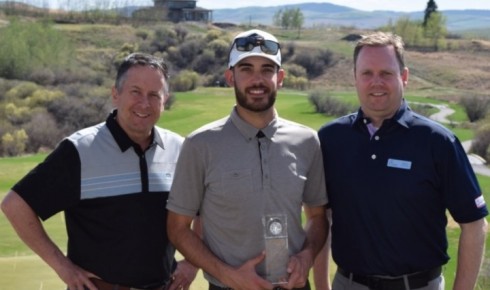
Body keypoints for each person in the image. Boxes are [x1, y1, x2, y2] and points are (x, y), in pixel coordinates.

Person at [1, 53, 198, 290]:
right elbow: (15, 205)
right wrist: (64, 268)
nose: (144, 103)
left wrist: (192, 263)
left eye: (154, 95)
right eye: (135, 92)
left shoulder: (180, 149)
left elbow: (206, 207)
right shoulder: (80, 150)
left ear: (164, 100)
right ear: (115, 94)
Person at [317, 31, 489, 290]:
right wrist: (322, 286)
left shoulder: (437, 142)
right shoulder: (330, 139)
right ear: (355, 77)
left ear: (404, 77)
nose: (376, 82)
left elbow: (475, 225)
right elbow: (320, 218)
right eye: (367, 73)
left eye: (386, 73)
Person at [166, 29, 328, 290]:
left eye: (267, 69)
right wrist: (229, 276)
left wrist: (306, 257)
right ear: (230, 77)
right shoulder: (200, 144)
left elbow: (317, 217)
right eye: (246, 69)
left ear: (281, 77)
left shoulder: (307, 141)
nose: (257, 80)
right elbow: (178, 228)